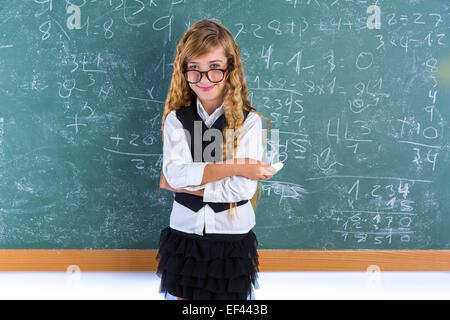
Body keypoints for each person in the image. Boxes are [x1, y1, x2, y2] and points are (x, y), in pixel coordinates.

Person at [157, 19, 275, 300]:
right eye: (194, 70)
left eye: (214, 69)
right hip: (184, 235)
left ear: (230, 69)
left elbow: (242, 189)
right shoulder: (177, 119)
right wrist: (238, 167)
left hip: (231, 238)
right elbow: (174, 175)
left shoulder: (249, 122)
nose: (204, 80)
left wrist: (186, 184)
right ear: (184, 71)